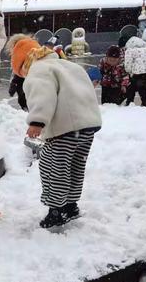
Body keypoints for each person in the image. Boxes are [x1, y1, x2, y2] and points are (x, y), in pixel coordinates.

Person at [9, 34, 102, 229]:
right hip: (87, 127)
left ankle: (56, 211)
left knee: (53, 168)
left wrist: (37, 122)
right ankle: (71, 205)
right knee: (75, 167)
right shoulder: (67, 65)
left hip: (64, 130)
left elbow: (43, 96)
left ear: (24, 63)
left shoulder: (38, 70)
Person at [124, 36, 146, 107]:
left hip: (139, 71)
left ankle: (130, 103)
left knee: (131, 87)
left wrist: (129, 72)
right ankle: (145, 103)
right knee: (144, 88)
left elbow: (128, 64)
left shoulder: (130, 50)